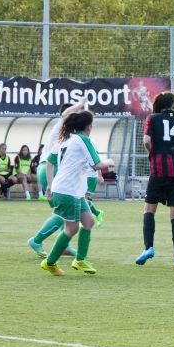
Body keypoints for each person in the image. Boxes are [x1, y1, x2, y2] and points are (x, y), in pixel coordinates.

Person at [40, 111, 112, 276]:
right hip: (68, 191)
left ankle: (80, 260)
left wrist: (51, 186)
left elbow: (50, 161)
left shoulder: (66, 140)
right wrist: (110, 162)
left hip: (72, 190)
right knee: (71, 229)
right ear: (88, 127)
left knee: (88, 222)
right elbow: (97, 165)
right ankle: (50, 262)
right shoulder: (83, 140)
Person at [135, 91, 174, 268]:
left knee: (149, 210)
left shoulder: (152, 118)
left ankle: (149, 248)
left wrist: (153, 153)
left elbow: (146, 141)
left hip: (159, 170)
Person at [27, 101, 85, 259]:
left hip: (47, 169)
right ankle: (37, 240)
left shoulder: (68, 134)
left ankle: (63, 245)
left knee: (64, 213)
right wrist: (82, 103)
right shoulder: (61, 124)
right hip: (50, 169)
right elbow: (66, 114)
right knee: (63, 213)